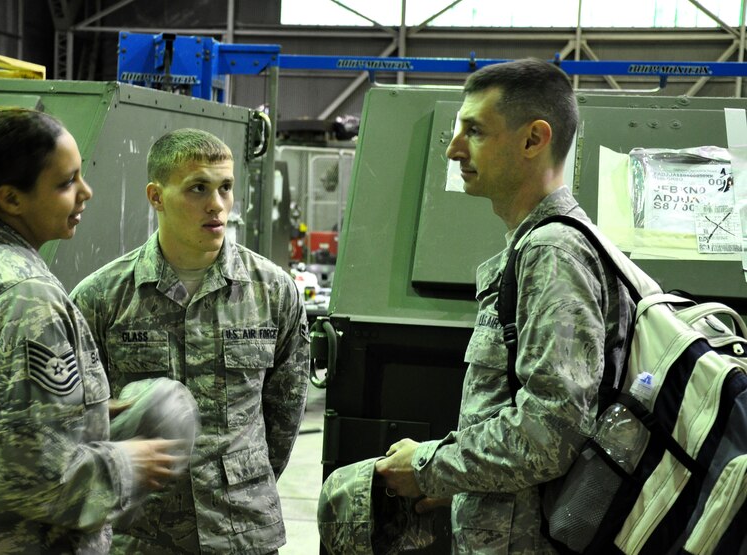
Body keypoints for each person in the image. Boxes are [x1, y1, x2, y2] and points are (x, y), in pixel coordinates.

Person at [0, 107, 183, 554]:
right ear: (11, 199)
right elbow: (39, 483)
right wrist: (129, 463)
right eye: (66, 183)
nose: (85, 192)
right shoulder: (25, 296)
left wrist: (83, 413)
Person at [374, 59, 635, 553]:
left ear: (534, 139)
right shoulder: (537, 247)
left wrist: (428, 466)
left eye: (473, 131)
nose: (453, 150)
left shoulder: (551, 253)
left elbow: (549, 433)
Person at [70, 128, 311, 554]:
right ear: (156, 196)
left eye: (225, 188)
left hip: (243, 531)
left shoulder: (272, 292)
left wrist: (242, 483)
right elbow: (77, 418)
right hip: (142, 534)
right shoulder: (102, 297)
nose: (216, 204)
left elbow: (284, 414)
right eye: (197, 188)